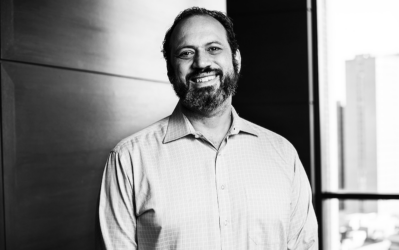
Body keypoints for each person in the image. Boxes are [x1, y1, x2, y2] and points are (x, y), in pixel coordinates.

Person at [99, 7, 318, 250]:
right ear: (171, 72)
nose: (202, 62)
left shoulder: (283, 154)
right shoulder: (129, 158)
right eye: (186, 53)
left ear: (236, 59)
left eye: (213, 48)